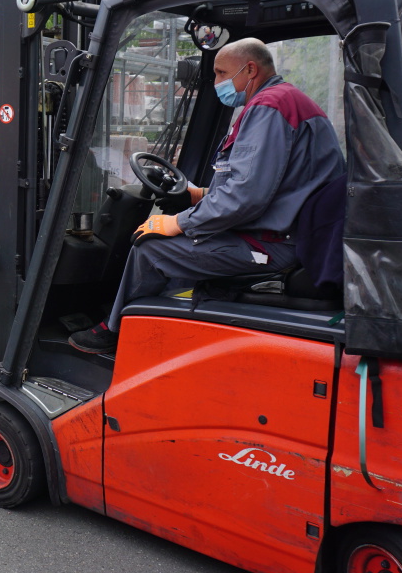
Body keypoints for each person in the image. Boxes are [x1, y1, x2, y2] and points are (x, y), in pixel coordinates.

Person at [69, 38, 345, 355]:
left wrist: (180, 223)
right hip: (291, 234)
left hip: (276, 245)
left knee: (152, 249)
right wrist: (198, 195)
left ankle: (117, 333)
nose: (216, 83)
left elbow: (245, 198)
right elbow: (268, 185)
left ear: (250, 69)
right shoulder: (286, 101)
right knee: (171, 244)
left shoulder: (269, 108)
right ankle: (159, 329)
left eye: (220, 73)